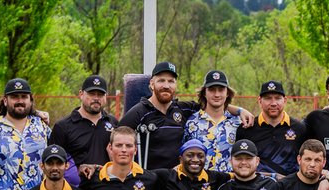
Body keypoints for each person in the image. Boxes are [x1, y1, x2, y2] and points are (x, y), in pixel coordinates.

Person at [121, 61, 254, 170]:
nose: (166, 85)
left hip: (177, 182)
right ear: (151, 84)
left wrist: (239, 111)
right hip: (150, 180)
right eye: (161, 80)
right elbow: (116, 141)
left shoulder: (183, 109)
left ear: (176, 85)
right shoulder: (138, 112)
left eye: (171, 81)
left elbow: (212, 104)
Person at [50, 74, 117, 185]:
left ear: (106, 97)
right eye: (91, 93)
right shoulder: (63, 126)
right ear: (81, 94)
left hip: (107, 189)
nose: (96, 98)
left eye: (100, 94)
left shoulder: (113, 123)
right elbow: (52, 163)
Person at [237, 80, 307, 178]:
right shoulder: (247, 128)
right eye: (268, 98)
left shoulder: (299, 128)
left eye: (278, 98)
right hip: (255, 189)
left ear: (285, 100)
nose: (273, 103)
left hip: (289, 189)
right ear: (260, 101)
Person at [184, 70, 242, 173]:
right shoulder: (192, 122)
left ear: (227, 93)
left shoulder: (237, 122)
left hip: (228, 184)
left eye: (221, 90)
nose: (217, 94)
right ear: (204, 93)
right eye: (212, 90)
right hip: (199, 184)